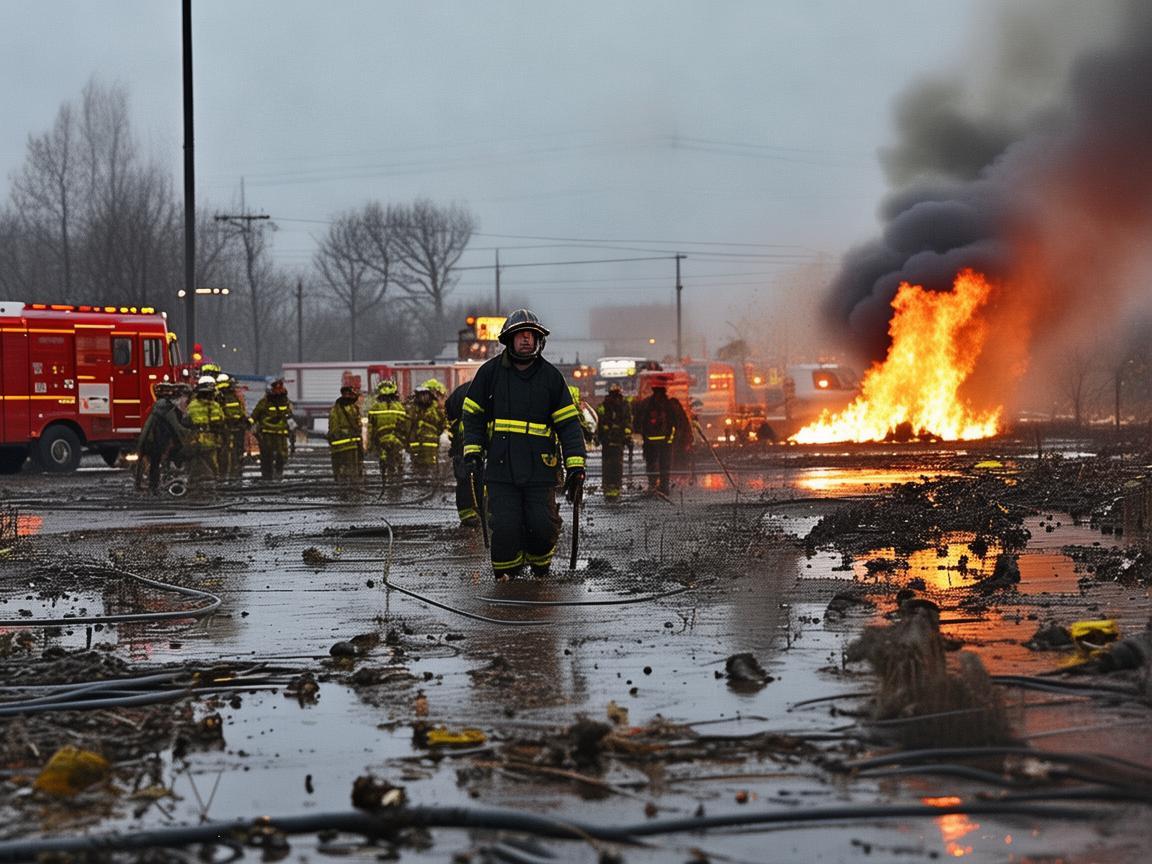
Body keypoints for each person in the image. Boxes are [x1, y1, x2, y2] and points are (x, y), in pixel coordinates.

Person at [461, 309, 586, 578]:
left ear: (539, 340)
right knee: (506, 526)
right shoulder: (489, 374)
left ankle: (540, 569)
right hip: (500, 468)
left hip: (540, 469)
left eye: (531, 335)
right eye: (521, 335)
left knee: (542, 525)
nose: (526, 340)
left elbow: (568, 424)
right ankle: (508, 578)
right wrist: (472, 450)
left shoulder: (552, 378)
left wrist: (576, 465)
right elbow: (472, 415)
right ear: (509, 340)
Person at [633, 375, 685, 497]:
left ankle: (652, 486)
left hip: (650, 442)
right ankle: (664, 487)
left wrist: (643, 436)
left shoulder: (645, 404)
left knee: (651, 464)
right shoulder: (669, 405)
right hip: (665, 443)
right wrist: (672, 439)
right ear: (664, 390)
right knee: (664, 466)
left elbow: (637, 422)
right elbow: (676, 424)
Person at [135, 382, 187, 494]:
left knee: (151, 464)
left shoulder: (155, 407)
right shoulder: (167, 408)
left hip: (147, 441)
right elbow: (176, 427)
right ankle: (154, 487)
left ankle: (144, 486)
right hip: (156, 442)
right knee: (156, 463)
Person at [445, 380, 483, 526]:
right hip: (473, 440)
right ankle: (479, 511)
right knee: (478, 476)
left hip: (461, 442)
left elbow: (449, 413)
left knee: (464, 478)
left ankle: (467, 514)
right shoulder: (489, 389)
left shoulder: (462, 391)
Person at [183, 375, 225, 494]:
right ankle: (210, 487)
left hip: (196, 440)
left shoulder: (192, 405)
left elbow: (186, 421)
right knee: (211, 464)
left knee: (195, 464)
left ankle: (194, 486)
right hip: (209, 440)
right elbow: (220, 422)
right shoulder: (215, 405)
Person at [367, 378, 408, 496]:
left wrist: (370, 445)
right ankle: (397, 486)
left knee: (385, 464)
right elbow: (405, 426)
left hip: (382, 443)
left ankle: (388, 484)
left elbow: (371, 428)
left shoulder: (375, 407)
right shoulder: (399, 407)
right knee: (397, 464)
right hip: (396, 442)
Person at [251, 378, 294, 481]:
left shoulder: (286, 402)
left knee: (282, 455)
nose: (279, 391)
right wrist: (248, 424)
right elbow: (255, 416)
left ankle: (278, 472)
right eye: (276, 388)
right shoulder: (264, 402)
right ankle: (267, 476)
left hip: (281, 434)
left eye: (280, 388)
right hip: (267, 434)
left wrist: (292, 430)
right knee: (267, 456)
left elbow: (290, 417)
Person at [596, 383, 632, 500]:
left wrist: (600, 435)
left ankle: (608, 486)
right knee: (616, 465)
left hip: (608, 440)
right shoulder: (624, 405)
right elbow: (628, 421)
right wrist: (626, 436)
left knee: (607, 465)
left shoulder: (603, 405)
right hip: (617, 440)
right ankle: (615, 486)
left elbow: (598, 422)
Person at [405, 385, 446, 483]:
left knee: (430, 463)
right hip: (416, 443)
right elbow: (407, 425)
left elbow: (442, 423)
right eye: (421, 396)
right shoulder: (412, 409)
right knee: (417, 463)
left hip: (431, 444)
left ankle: (431, 481)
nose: (423, 398)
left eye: (425, 395)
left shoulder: (435, 409)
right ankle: (420, 479)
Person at [216, 373, 250, 481]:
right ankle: (231, 475)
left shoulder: (230, 396)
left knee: (233, 452)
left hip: (234, 427)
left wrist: (243, 420)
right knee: (228, 452)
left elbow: (240, 410)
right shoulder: (220, 397)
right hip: (229, 428)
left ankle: (231, 474)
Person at [328, 385, 364, 487]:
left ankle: (352, 483)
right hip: (343, 443)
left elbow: (358, 424)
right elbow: (334, 426)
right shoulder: (337, 409)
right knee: (344, 465)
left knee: (354, 465)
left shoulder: (354, 408)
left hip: (353, 443)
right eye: (348, 394)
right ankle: (346, 484)